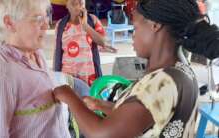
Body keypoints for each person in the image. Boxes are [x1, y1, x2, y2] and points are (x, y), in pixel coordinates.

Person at [53, 0, 219, 137]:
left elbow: (102, 133)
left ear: (155, 25)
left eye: (136, 27)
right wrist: (99, 105)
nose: (133, 34)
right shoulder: (181, 69)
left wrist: (70, 96)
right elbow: (143, 116)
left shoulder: (162, 83)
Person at [0, 0, 71, 137]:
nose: (46, 25)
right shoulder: (2, 78)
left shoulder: (36, 53)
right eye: (38, 18)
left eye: (46, 16)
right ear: (10, 23)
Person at [53, 0, 116, 86]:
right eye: (74, 3)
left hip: (89, 76)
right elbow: (57, 51)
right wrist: (55, 75)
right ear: (67, 5)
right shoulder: (61, 25)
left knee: (88, 98)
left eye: (81, 3)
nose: (78, 6)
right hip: (67, 77)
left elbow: (103, 42)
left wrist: (85, 26)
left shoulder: (93, 20)